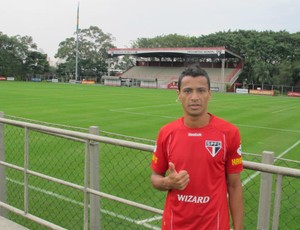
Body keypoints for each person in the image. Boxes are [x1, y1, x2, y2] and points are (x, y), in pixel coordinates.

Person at [150, 64, 243, 230]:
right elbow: (155, 177)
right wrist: (168, 182)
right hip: (174, 225)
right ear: (178, 95)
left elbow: (234, 186)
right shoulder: (166, 133)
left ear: (209, 94)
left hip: (214, 225)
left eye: (200, 90)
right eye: (187, 91)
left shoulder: (229, 133)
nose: (194, 97)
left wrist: (238, 228)